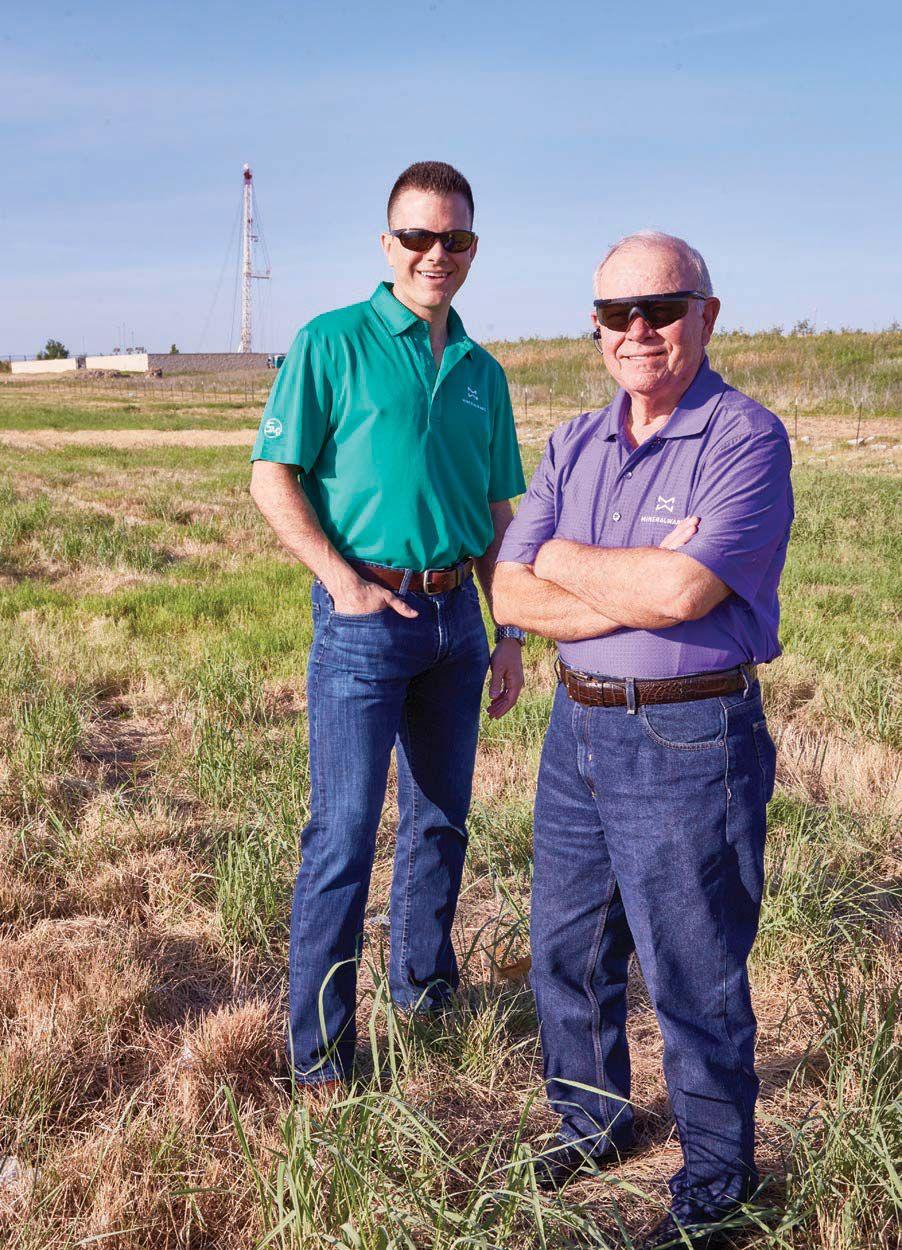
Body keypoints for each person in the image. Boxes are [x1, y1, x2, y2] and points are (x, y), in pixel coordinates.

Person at [493, 231, 792, 1249]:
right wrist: (621, 578)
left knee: (691, 966)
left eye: (659, 308)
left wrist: (565, 562)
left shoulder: (743, 437)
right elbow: (509, 590)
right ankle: (591, 1121)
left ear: (705, 314)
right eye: (614, 314)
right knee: (567, 948)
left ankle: (717, 1175)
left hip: (688, 732)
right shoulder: (572, 441)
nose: (637, 330)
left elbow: (681, 591)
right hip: (576, 722)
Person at [250, 161, 527, 1089]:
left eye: (454, 239)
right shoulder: (331, 342)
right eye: (417, 236)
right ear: (387, 244)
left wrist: (511, 632)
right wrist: (342, 583)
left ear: (473, 248)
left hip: (458, 625)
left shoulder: (483, 372)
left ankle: (424, 995)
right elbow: (272, 477)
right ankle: (322, 1062)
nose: (435, 254)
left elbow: (496, 514)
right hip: (366, 619)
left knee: (442, 822)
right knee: (343, 836)